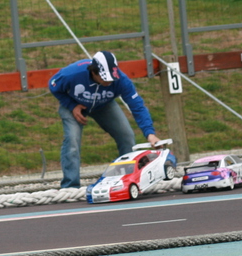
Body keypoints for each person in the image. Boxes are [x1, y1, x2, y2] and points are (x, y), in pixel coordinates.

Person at [48, 50, 160, 188]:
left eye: (111, 78)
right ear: (93, 72)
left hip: (104, 105)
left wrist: (150, 133)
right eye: (105, 78)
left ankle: (127, 180)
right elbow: (53, 85)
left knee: (126, 135)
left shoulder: (121, 80)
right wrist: (71, 105)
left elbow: (137, 106)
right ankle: (70, 186)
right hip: (74, 104)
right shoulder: (72, 74)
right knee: (72, 140)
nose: (109, 81)